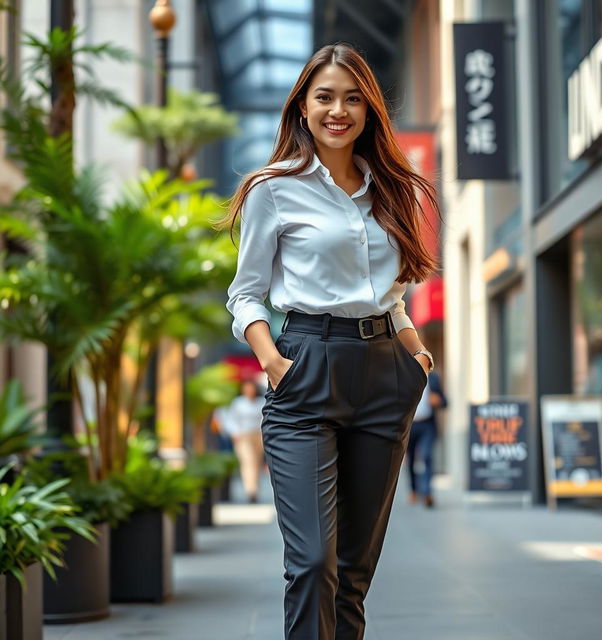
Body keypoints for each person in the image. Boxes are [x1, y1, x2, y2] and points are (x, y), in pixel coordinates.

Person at [223, 43, 438, 640]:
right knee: (313, 563)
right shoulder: (274, 188)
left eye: (352, 98)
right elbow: (246, 293)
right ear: (303, 107)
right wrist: (274, 361)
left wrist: (417, 355)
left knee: (354, 573)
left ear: (369, 109)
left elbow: (391, 293)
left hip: (384, 372)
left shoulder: (393, 189)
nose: (337, 110)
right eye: (324, 97)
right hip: (306, 368)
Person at [217, 380, 265, 503]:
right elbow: (230, 419)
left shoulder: (261, 402)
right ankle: (251, 490)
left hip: (258, 436)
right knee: (247, 462)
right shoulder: (238, 403)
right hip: (243, 436)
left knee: (256, 463)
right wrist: (234, 433)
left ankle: (255, 487)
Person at [406, 370, 447, 508]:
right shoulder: (404, 374)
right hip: (409, 425)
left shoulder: (433, 378)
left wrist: (439, 401)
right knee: (411, 459)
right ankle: (414, 490)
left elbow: (445, 402)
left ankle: (428, 493)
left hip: (427, 425)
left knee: (426, 456)